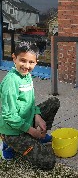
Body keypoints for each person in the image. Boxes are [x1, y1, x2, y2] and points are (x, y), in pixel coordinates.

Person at [0, 42, 60, 170]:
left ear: (36, 62)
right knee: (48, 162)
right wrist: (32, 131)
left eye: (31, 62)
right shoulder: (11, 81)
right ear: (14, 58)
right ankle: (7, 143)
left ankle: (38, 136)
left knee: (54, 102)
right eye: (23, 60)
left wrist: (37, 115)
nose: (27, 66)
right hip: (13, 131)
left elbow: (30, 102)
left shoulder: (26, 75)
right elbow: (9, 116)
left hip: (26, 121)